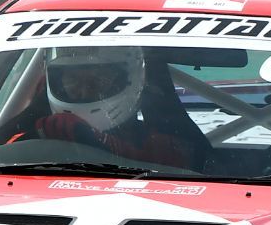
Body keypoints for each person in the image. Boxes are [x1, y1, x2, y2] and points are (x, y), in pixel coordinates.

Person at [25, 47, 196, 169]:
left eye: (99, 80)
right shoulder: (42, 132)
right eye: (72, 80)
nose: (84, 91)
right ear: (55, 82)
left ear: (132, 79)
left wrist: (95, 139)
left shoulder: (162, 148)